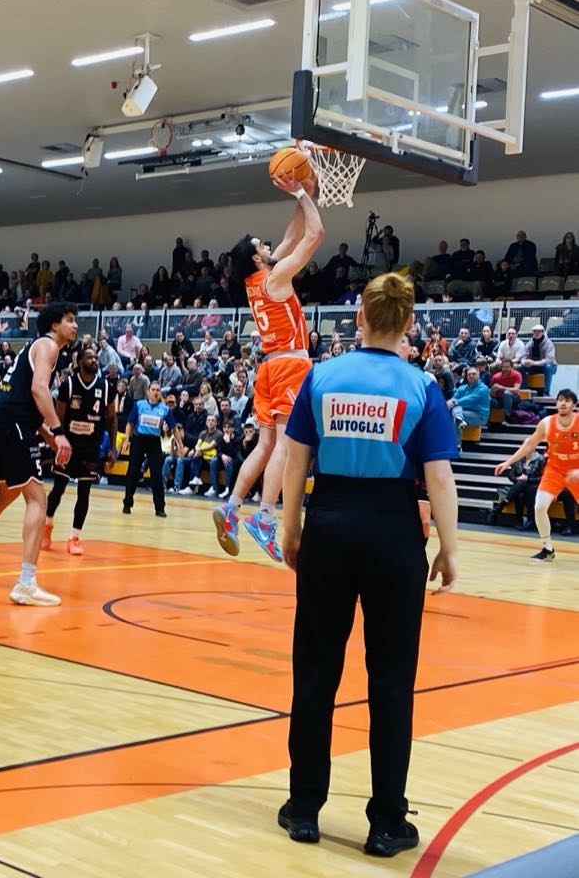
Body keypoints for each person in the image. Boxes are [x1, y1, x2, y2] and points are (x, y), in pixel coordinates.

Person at [278, 272, 458, 857]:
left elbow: (295, 461)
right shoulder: (422, 386)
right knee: (391, 680)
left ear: (359, 317)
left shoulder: (321, 377)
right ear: (408, 323)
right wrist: (449, 548)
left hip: (329, 524)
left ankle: (304, 808)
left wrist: (290, 527)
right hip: (392, 533)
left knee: (315, 672)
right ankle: (386, 823)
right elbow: (438, 477)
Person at [213, 161, 324, 561]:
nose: (268, 247)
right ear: (258, 259)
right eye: (263, 246)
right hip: (291, 365)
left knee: (265, 445)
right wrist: (301, 193)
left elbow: (293, 232)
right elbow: (314, 234)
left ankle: (232, 506)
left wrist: (305, 187)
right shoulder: (276, 278)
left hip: (268, 368)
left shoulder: (255, 279)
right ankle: (264, 516)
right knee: (287, 445)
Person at [0, 303, 78, 604]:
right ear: (55, 325)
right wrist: (58, 432)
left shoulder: (34, 348)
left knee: (5, 492)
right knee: (37, 499)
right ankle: (26, 583)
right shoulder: (48, 345)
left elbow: (22, 397)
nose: (74, 326)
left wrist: (45, 433)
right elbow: (38, 390)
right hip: (11, 422)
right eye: (70, 320)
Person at [40, 346, 117, 555]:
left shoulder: (106, 387)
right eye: (89, 357)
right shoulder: (69, 385)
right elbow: (58, 417)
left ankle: (74, 538)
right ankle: (47, 527)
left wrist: (113, 448)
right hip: (68, 446)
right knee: (58, 489)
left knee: (84, 492)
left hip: (91, 448)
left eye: (96, 357)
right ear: (79, 361)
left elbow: (111, 419)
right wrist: (57, 441)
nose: (94, 360)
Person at [494, 388, 579, 561]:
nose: (563, 403)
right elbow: (529, 444)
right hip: (555, 470)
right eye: (560, 400)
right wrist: (508, 462)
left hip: (575, 471)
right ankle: (548, 549)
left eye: (567, 400)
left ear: (574, 405)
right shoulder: (546, 423)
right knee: (539, 507)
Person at [122, 380, 177, 517]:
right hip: (139, 439)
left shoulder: (164, 409)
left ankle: (160, 508)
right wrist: (126, 440)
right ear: (148, 392)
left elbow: (174, 428)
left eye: (158, 390)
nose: (155, 392)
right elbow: (130, 423)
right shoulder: (139, 405)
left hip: (154, 441)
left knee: (157, 474)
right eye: (153, 389)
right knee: (133, 472)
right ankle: (127, 503)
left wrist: (180, 445)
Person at [447, 365, 490, 447]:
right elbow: (454, 398)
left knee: (455, 411)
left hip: (480, 416)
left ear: (478, 375)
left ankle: (456, 444)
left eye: (474, 374)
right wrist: (449, 403)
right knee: (455, 410)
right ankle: (459, 419)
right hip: (463, 413)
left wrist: (455, 402)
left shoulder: (483, 388)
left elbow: (471, 399)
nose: (471, 375)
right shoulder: (462, 388)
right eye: (469, 374)